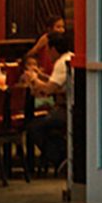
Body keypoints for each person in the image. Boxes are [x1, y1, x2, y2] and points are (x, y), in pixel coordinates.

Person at [25, 30, 73, 177]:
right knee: (43, 125)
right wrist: (41, 76)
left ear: (52, 49)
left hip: (67, 110)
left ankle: (61, 158)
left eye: (47, 51)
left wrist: (33, 79)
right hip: (70, 108)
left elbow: (48, 90)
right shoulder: (69, 57)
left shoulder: (61, 63)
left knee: (34, 127)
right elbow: (56, 84)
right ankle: (63, 155)